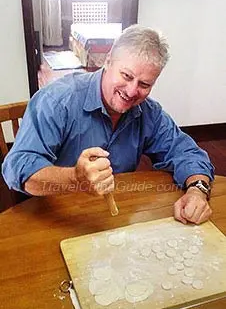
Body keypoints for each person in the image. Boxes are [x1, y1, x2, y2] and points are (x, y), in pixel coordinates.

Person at [2, 25, 214, 225]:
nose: (131, 92)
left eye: (144, 84)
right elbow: (17, 167)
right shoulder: (57, 101)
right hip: (50, 217)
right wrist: (75, 178)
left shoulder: (149, 113)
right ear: (108, 60)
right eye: (126, 75)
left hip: (110, 219)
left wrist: (197, 190)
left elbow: (186, 152)